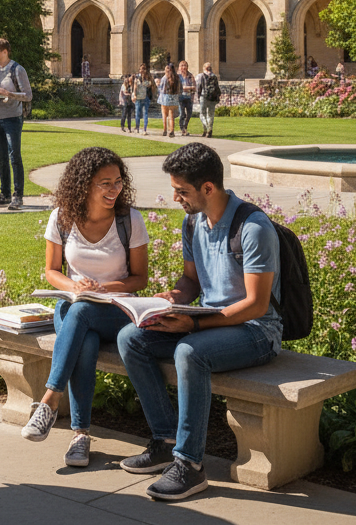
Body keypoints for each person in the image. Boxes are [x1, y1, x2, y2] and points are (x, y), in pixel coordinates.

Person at [116, 144, 281, 501]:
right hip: (209, 322)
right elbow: (191, 281)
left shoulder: (253, 228)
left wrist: (192, 327)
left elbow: (256, 304)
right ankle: (166, 441)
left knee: (190, 352)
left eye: (182, 191)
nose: (175, 197)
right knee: (132, 337)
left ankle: (190, 466)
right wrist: (171, 300)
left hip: (255, 332)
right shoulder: (192, 222)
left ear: (208, 188)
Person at [20, 148, 148, 466]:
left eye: (118, 182)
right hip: (74, 303)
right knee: (85, 338)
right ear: (84, 185)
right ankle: (80, 437)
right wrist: (75, 287)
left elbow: (139, 279)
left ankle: (49, 400)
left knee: (83, 315)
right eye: (104, 183)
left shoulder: (129, 220)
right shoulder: (63, 217)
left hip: (115, 310)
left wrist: (105, 288)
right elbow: (51, 271)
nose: (113, 190)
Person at [0, 38, 33, 210]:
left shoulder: (17, 69)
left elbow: (28, 95)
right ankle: (5, 194)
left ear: (5, 52)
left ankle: (18, 196)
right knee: (1, 159)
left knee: (14, 157)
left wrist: (9, 93)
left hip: (13, 118)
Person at [194, 62, 219, 138]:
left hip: (203, 96)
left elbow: (198, 87)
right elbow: (217, 88)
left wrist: (198, 96)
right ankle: (208, 130)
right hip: (213, 97)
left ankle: (207, 128)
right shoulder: (214, 76)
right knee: (211, 114)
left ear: (204, 68)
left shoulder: (201, 76)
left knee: (202, 114)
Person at [132, 64, 155, 136]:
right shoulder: (138, 78)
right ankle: (138, 128)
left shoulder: (147, 78)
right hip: (139, 98)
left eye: (143, 69)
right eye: (141, 69)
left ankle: (143, 129)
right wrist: (135, 95)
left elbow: (151, 86)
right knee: (139, 114)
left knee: (143, 113)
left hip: (144, 98)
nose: (141, 70)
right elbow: (135, 88)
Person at [159, 64, 180, 138]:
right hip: (174, 97)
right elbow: (179, 88)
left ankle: (165, 130)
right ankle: (172, 131)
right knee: (171, 116)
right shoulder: (177, 77)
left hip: (165, 96)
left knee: (164, 115)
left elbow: (161, 88)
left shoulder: (165, 78)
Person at [177, 60, 195, 137]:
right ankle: (182, 129)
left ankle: (185, 126)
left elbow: (194, 87)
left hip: (189, 97)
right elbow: (178, 88)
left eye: (185, 65)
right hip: (180, 98)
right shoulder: (177, 76)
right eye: (182, 65)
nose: (183, 67)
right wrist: (188, 88)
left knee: (189, 114)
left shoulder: (190, 76)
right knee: (182, 114)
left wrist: (184, 88)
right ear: (179, 67)